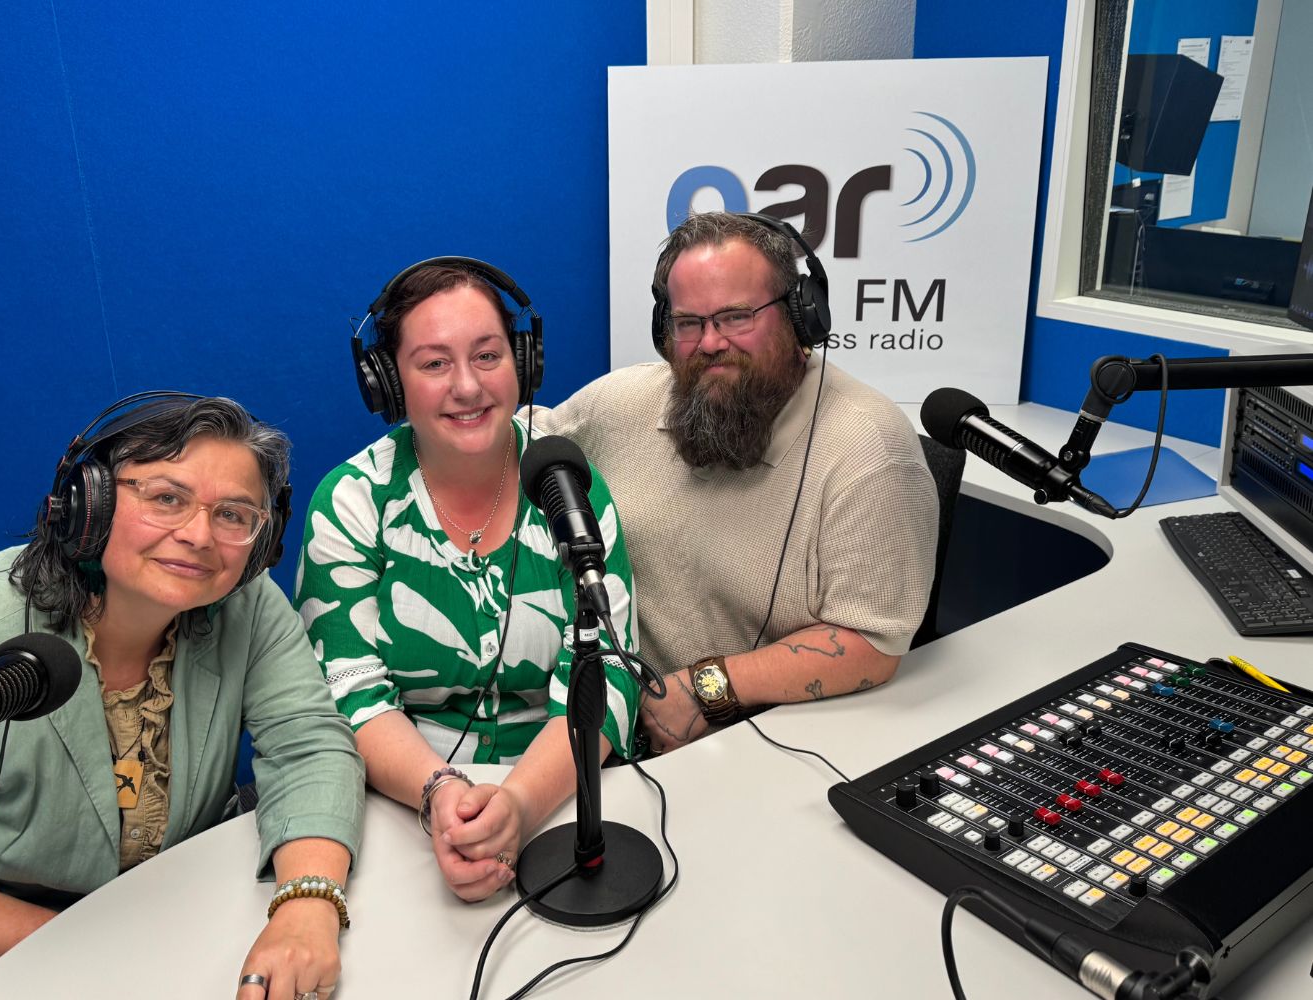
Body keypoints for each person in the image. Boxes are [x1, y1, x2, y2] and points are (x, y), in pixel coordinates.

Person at [0, 393, 364, 1000]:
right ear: (88, 505)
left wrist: (308, 903)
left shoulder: (249, 606)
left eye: (234, 514)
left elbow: (307, 746)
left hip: (159, 904)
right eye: (166, 498)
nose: (200, 535)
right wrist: (79, 942)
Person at [298, 259, 638, 903]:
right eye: (432, 363)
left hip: (565, 798)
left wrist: (520, 806)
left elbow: (611, 676)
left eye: (488, 355)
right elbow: (349, 691)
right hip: (401, 809)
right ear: (388, 384)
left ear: (523, 363)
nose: (467, 386)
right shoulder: (352, 502)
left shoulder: (565, 483)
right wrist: (442, 797)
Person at [536, 212, 938, 754]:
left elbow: (873, 642)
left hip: (773, 743)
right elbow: (517, 443)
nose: (709, 343)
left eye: (735, 317)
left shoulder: (869, 449)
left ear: (802, 315)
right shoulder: (621, 402)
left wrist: (706, 688)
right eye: (688, 323)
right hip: (613, 729)